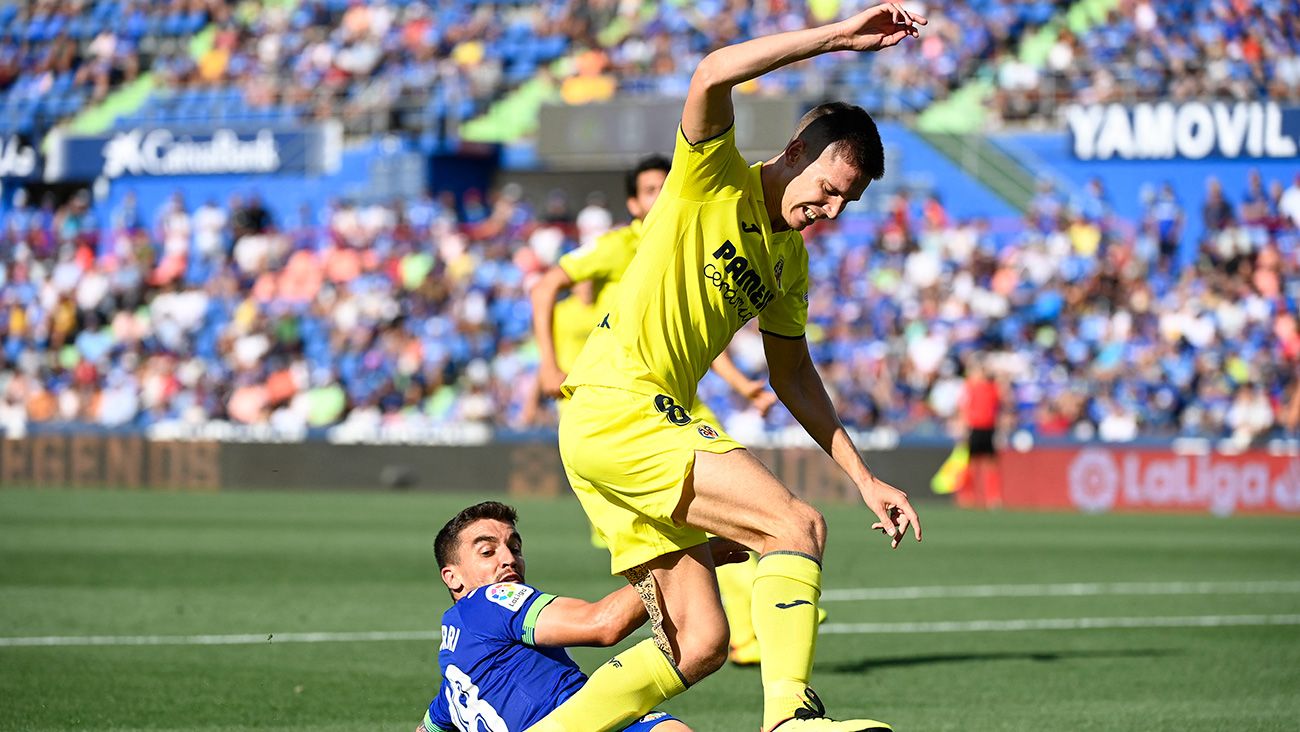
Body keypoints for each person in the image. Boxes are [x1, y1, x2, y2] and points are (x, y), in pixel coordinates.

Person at [529, 5, 926, 732]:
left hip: (611, 427)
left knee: (700, 643)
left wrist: (865, 479)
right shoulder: (712, 176)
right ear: (799, 146)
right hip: (622, 406)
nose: (831, 210)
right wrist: (837, 36)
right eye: (830, 187)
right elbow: (712, 72)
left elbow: (794, 377)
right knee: (793, 526)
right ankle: (789, 721)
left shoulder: (790, 263)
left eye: (848, 201)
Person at [529, 154, 778, 665]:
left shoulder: (690, 235)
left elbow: (709, 332)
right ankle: (716, 622)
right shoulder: (623, 246)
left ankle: (754, 619)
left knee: (742, 511)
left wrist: (744, 384)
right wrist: (547, 366)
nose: (659, 195)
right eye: (648, 189)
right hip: (617, 405)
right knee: (657, 538)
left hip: (679, 401)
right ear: (632, 202)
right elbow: (548, 283)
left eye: (665, 185)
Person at [417, 501, 746, 732]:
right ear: (452, 577)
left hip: (595, 718)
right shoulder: (488, 599)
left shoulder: (456, 681)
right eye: (487, 551)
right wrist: (682, 560)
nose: (509, 559)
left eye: (514, 548)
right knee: (698, 647)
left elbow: (430, 724)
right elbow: (603, 624)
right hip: (572, 721)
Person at [956, 355, 1004, 510]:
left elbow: (1000, 405)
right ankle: (967, 496)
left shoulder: (993, 387)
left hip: (989, 428)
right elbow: (963, 408)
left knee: (990, 464)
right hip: (974, 428)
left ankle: (993, 498)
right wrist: (963, 428)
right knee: (970, 464)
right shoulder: (970, 386)